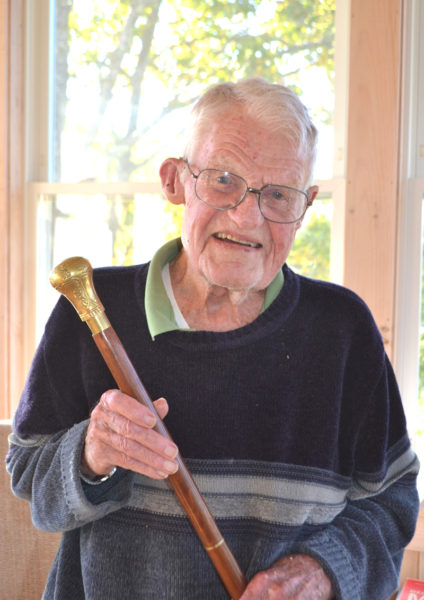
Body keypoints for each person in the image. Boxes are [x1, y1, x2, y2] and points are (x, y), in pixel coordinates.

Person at [6, 77, 419, 600]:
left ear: (307, 203)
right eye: (223, 180)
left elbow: (392, 501)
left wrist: (322, 571)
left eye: (278, 194)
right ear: (175, 180)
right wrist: (90, 453)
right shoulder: (90, 310)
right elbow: (27, 474)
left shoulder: (342, 331)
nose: (248, 217)